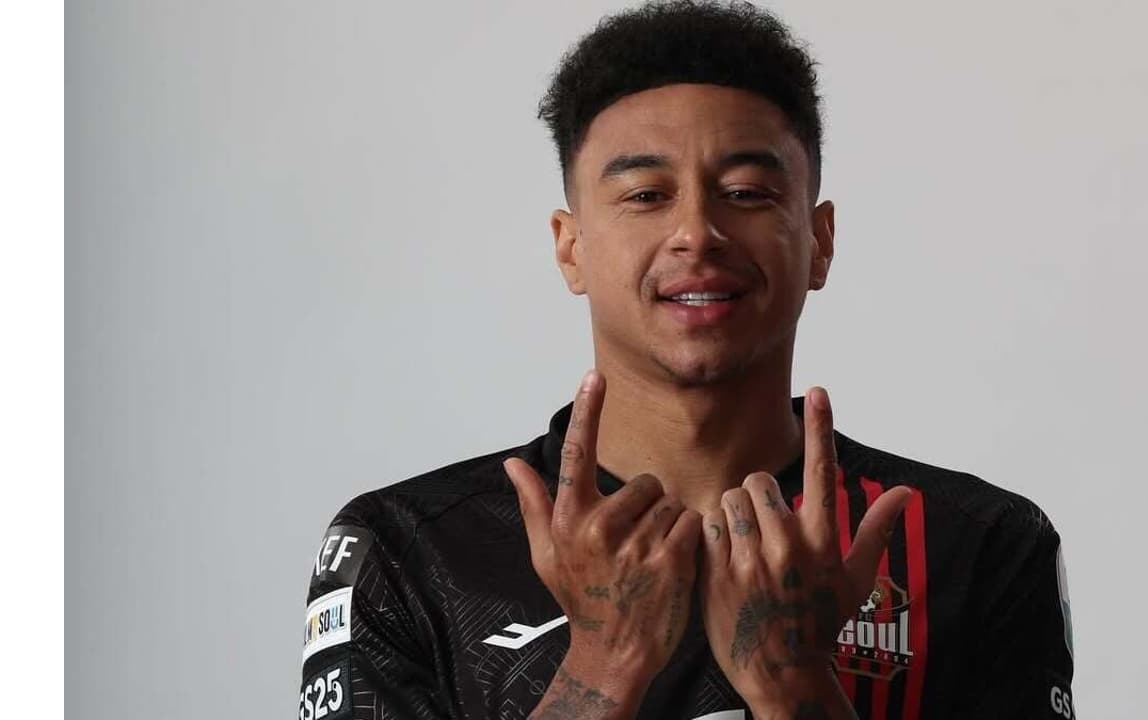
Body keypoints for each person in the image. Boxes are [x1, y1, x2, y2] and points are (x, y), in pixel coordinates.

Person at [297, 2, 1075, 719]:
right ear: (571, 248)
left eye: (746, 192)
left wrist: (797, 685)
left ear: (819, 241)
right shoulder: (409, 551)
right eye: (645, 195)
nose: (697, 232)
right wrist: (601, 665)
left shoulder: (979, 545)